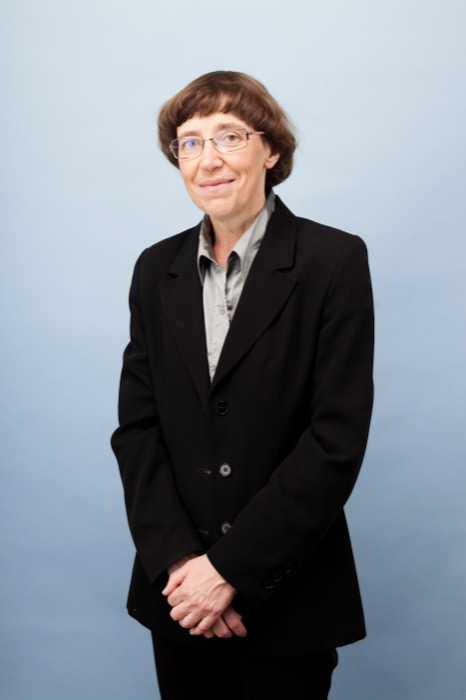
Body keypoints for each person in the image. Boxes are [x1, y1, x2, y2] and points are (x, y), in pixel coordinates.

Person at [111, 70, 374, 700]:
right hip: (179, 601)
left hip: (290, 599)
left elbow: (334, 441)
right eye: (190, 142)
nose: (209, 159)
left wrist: (229, 571)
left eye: (230, 136)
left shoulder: (333, 261)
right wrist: (183, 566)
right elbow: (138, 430)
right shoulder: (155, 269)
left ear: (271, 149)